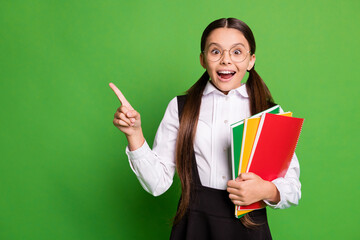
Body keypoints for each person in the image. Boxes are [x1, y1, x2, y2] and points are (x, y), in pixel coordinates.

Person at [110, 18, 301, 240]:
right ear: (203, 59)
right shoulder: (181, 108)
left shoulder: (268, 114)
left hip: (250, 230)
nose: (226, 60)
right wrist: (134, 135)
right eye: (215, 51)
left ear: (251, 60)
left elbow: (292, 188)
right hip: (194, 227)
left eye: (237, 52)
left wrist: (266, 191)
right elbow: (157, 184)